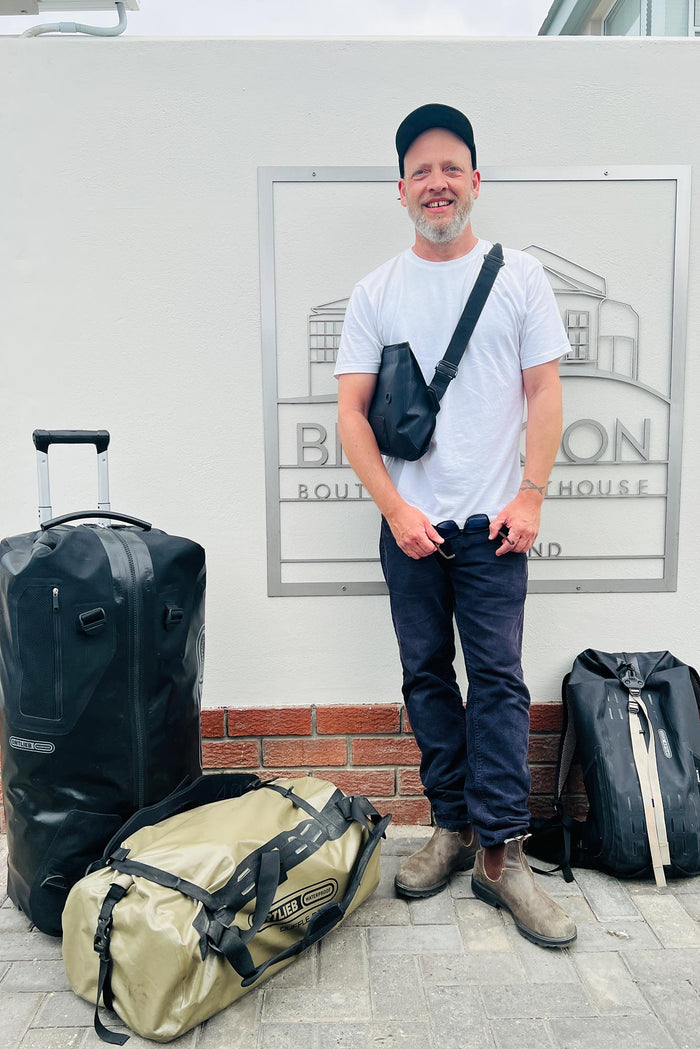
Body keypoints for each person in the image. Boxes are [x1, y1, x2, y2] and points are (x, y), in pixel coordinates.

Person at [335, 103, 576, 948]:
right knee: (427, 677)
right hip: (412, 529)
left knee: (499, 682)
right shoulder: (376, 292)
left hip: (494, 526)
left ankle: (502, 855)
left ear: (475, 180)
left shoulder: (521, 278)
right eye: (420, 171)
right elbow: (351, 414)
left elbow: (545, 391)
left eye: (450, 168)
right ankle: (451, 826)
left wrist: (531, 495)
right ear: (401, 190)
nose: (436, 183)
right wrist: (396, 509)